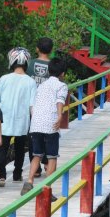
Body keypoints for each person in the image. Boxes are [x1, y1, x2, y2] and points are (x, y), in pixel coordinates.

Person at [21, 57, 68, 196]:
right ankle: (47, 188)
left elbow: (33, 104)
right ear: (63, 74)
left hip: (36, 124)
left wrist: (35, 119)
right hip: (50, 124)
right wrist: (60, 116)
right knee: (52, 156)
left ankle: (29, 182)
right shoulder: (61, 86)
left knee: (37, 154)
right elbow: (60, 100)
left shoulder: (41, 85)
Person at [0, 47, 37, 186]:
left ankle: (1, 176)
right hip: (22, 122)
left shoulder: (4, 79)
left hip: (3, 122)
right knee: (19, 150)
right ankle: (17, 175)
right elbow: (32, 106)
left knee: (2, 150)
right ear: (26, 63)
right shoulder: (30, 82)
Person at [26, 37, 53, 177]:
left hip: (32, 106)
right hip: (48, 107)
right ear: (51, 50)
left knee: (33, 137)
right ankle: (48, 163)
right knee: (48, 136)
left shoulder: (29, 64)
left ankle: (35, 168)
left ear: (37, 49)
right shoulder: (53, 66)